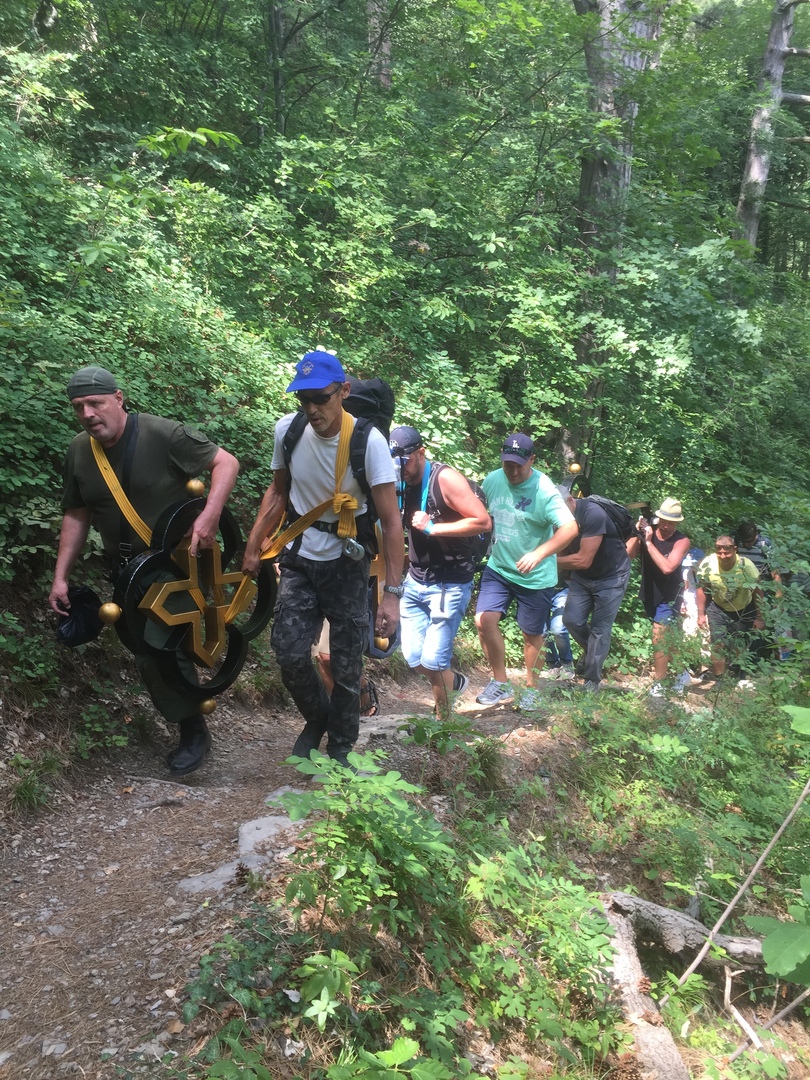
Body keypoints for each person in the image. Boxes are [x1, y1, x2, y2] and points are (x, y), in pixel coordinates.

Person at [49, 366, 240, 776]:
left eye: (95, 403)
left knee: (157, 645)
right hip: (126, 572)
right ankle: (190, 722)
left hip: (176, 562)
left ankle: (193, 732)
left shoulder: (162, 434)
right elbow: (77, 515)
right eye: (79, 406)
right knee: (145, 650)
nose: (87, 413)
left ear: (118, 398)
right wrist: (60, 576)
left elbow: (226, 463)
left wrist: (210, 515)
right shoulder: (79, 451)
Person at [242, 351, 404, 766]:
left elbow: (390, 521)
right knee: (290, 653)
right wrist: (253, 544)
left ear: (343, 392)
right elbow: (278, 493)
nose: (312, 409)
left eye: (321, 398)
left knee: (347, 666)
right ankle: (317, 719)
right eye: (303, 400)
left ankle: (343, 748)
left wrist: (392, 596)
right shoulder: (289, 430)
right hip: (298, 556)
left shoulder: (369, 443)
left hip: (347, 563)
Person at [388, 425, 491, 719]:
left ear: (420, 453)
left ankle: (442, 725)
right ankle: (454, 683)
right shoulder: (399, 480)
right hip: (416, 580)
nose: (399, 468)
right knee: (412, 658)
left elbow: (483, 522)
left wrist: (434, 527)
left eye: (404, 460)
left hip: (450, 582)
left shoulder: (445, 479)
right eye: (394, 462)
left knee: (434, 660)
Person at [474, 434, 577, 709]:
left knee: (532, 634)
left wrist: (540, 553)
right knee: (483, 621)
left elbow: (570, 528)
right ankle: (501, 683)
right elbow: (479, 515)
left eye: (520, 465)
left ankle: (532, 687)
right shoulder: (493, 480)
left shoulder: (544, 489)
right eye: (508, 464)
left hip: (535, 575)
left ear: (532, 460)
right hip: (500, 567)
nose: (514, 470)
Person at [557, 488, 632, 692]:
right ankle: (592, 654)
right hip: (583, 577)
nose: (556, 513)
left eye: (559, 508)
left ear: (571, 500)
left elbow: (582, 559)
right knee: (571, 620)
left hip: (612, 576)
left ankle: (592, 681)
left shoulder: (592, 513)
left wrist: (544, 560)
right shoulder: (557, 516)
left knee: (600, 628)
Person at [626, 498, 691, 697]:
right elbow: (628, 555)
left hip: (671, 595)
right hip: (650, 592)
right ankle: (682, 672)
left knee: (659, 636)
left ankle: (659, 684)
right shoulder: (648, 530)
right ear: (659, 517)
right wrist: (636, 534)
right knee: (669, 639)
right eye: (664, 520)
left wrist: (648, 542)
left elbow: (667, 567)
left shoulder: (682, 541)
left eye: (672, 522)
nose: (667, 525)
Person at [695, 536, 764, 681]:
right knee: (717, 643)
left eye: (726, 552)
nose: (722, 556)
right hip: (717, 607)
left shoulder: (746, 566)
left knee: (738, 644)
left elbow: (758, 591)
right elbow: (702, 588)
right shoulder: (708, 563)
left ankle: (738, 673)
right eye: (719, 552)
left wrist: (759, 617)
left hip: (743, 608)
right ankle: (720, 679)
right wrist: (700, 614)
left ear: (735, 549)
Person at [541, 579, 575, 680]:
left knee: (558, 629)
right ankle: (553, 664)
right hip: (538, 590)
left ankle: (567, 664)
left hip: (562, 589)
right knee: (541, 633)